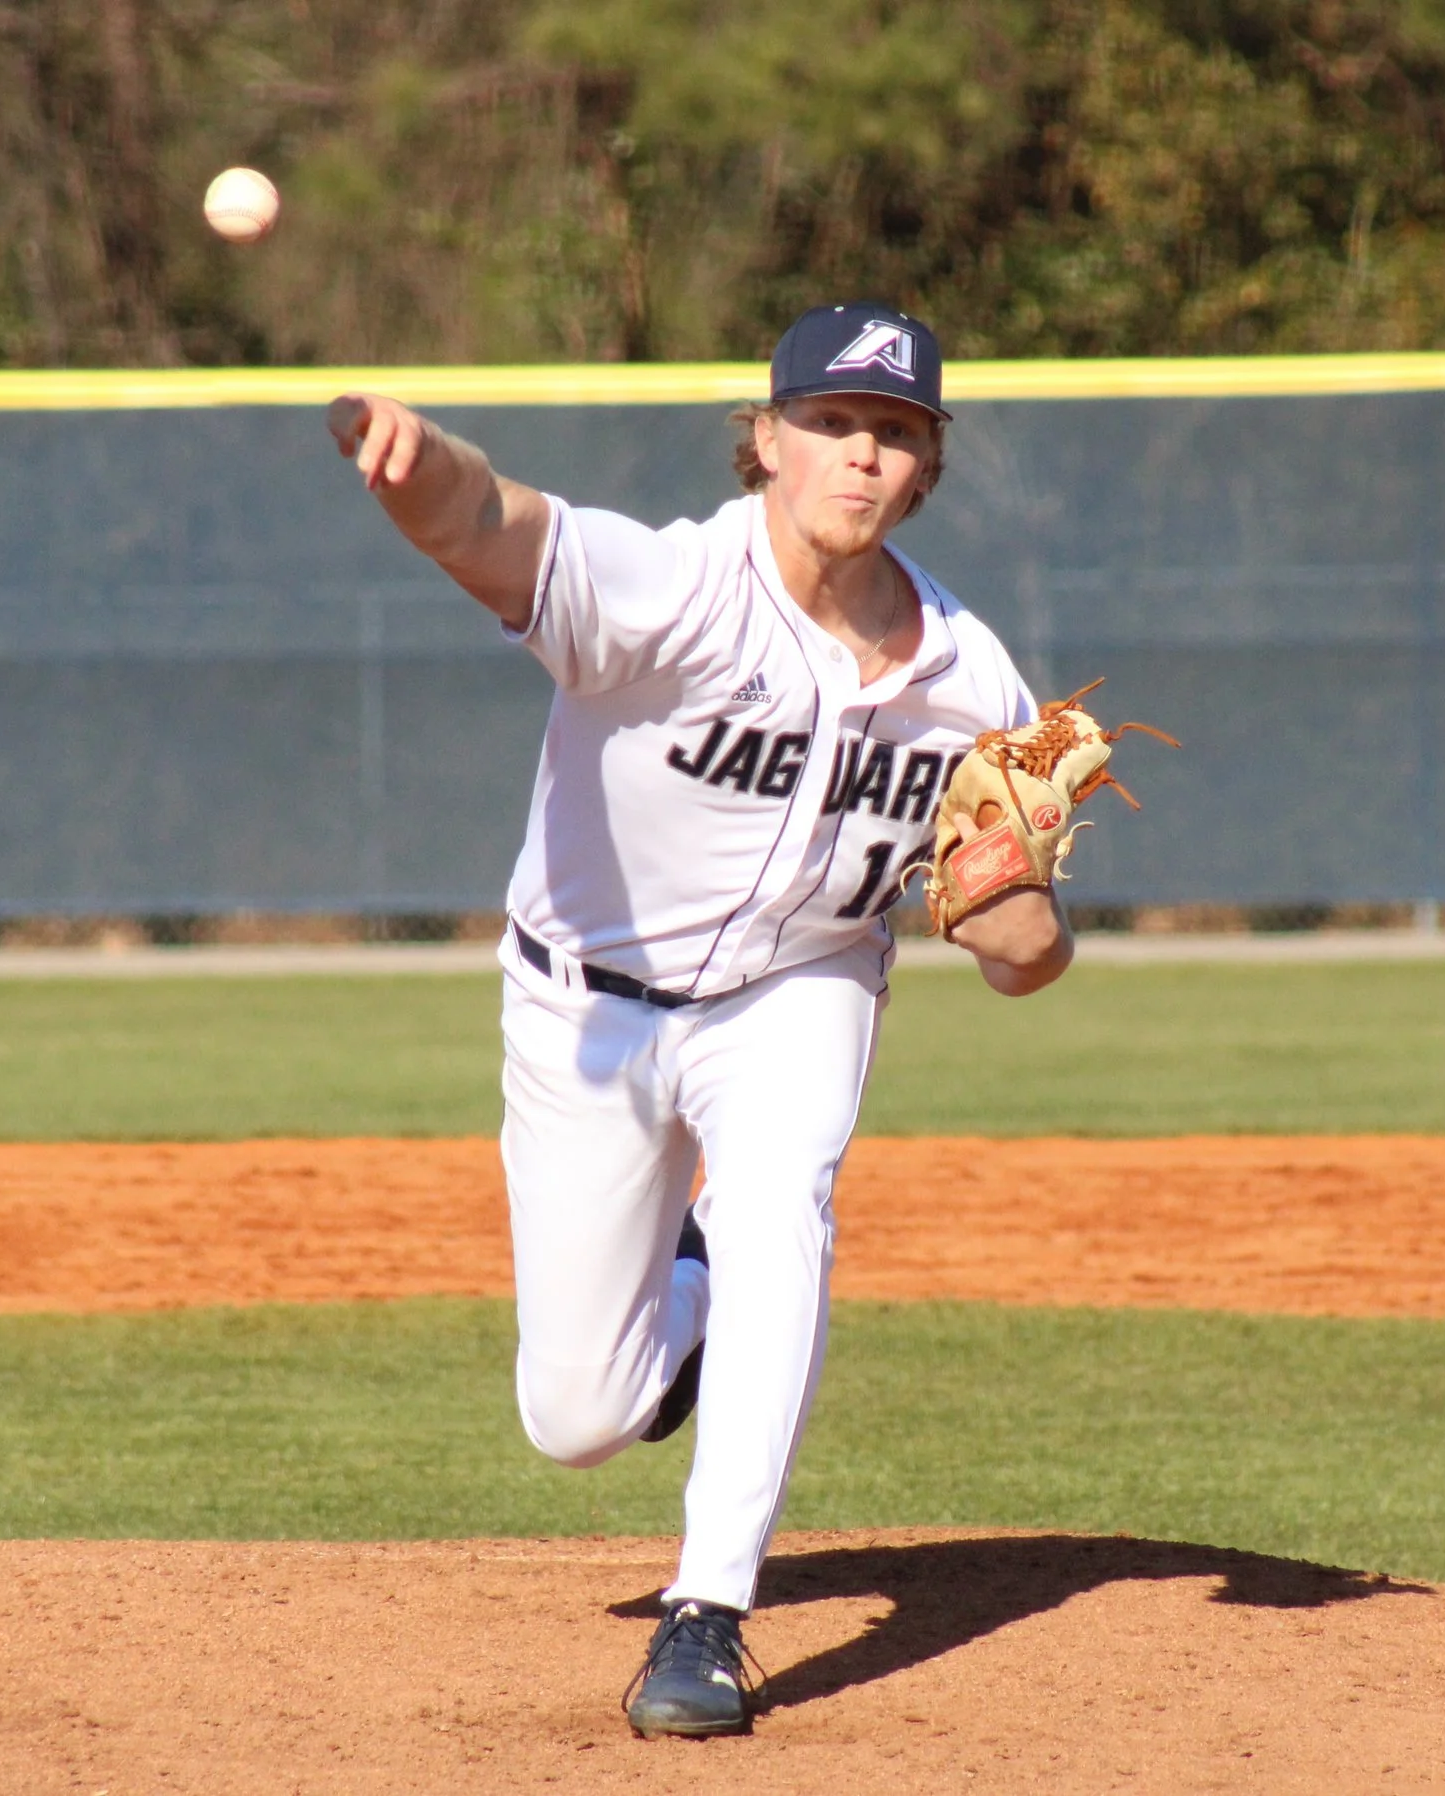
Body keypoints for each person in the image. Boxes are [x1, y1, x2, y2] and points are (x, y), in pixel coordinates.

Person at [327, 301, 1071, 1739]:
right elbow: (491, 520)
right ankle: (693, 1281)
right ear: (767, 439)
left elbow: (1024, 957)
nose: (863, 456)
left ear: (929, 466)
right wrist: (412, 467)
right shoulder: (667, 589)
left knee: (784, 1200)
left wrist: (1017, 930)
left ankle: (706, 1616)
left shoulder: (975, 688)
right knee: (579, 1419)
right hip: (584, 1013)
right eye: (835, 425)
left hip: (799, 989)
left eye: (897, 434)